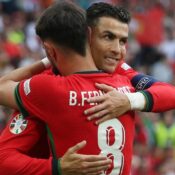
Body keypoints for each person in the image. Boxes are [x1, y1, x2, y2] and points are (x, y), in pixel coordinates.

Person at [1, 2, 175, 175]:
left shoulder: (45, 87)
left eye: (123, 41)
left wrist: (129, 101)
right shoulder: (124, 80)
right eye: (108, 37)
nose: (117, 50)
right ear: (89, 36)